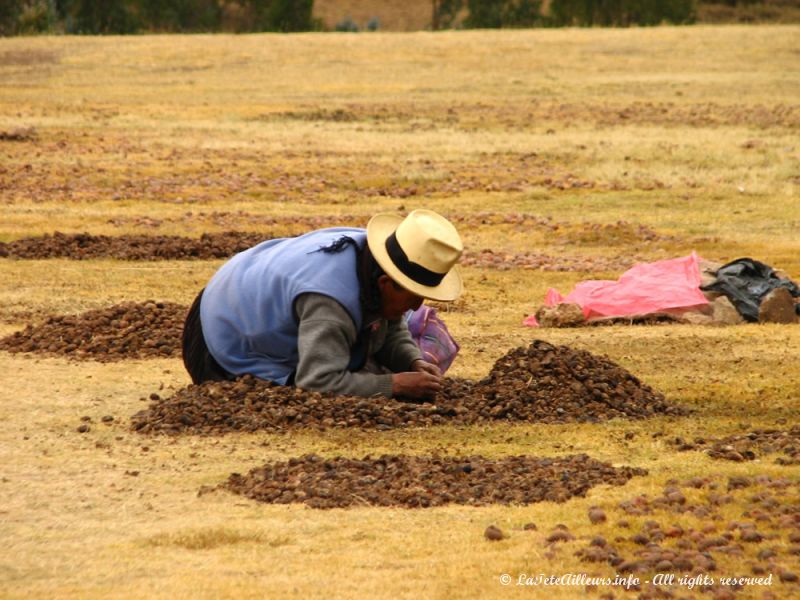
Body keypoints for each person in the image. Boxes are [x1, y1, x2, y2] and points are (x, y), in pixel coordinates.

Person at [181, 209, 463, 400]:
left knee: (367, 366)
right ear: (386, 283)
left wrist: (412, 360)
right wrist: (394, 384)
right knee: (353, 381)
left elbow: (389, 325)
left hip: (243, 288)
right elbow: (316, 382)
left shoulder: (378, 257)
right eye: (413, 294)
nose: (417, 304)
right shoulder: (330, 303)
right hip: (216, 340)